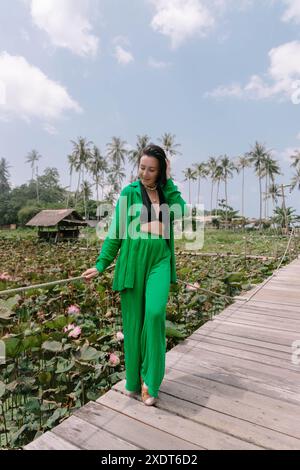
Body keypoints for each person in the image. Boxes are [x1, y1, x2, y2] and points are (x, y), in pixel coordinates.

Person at [82, 144, 187, 406]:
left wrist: (169, 180)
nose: (145, 173)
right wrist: (101, 264)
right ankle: (132, 381)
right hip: (132, 262)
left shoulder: (166, 193)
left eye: (152, 169)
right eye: (142, 167)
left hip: (159, 260)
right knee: (133, 322)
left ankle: (150, 382)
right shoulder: (129, 193)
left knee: (154, 314)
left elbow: (182, 212)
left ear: (161, 170)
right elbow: (117, 231)